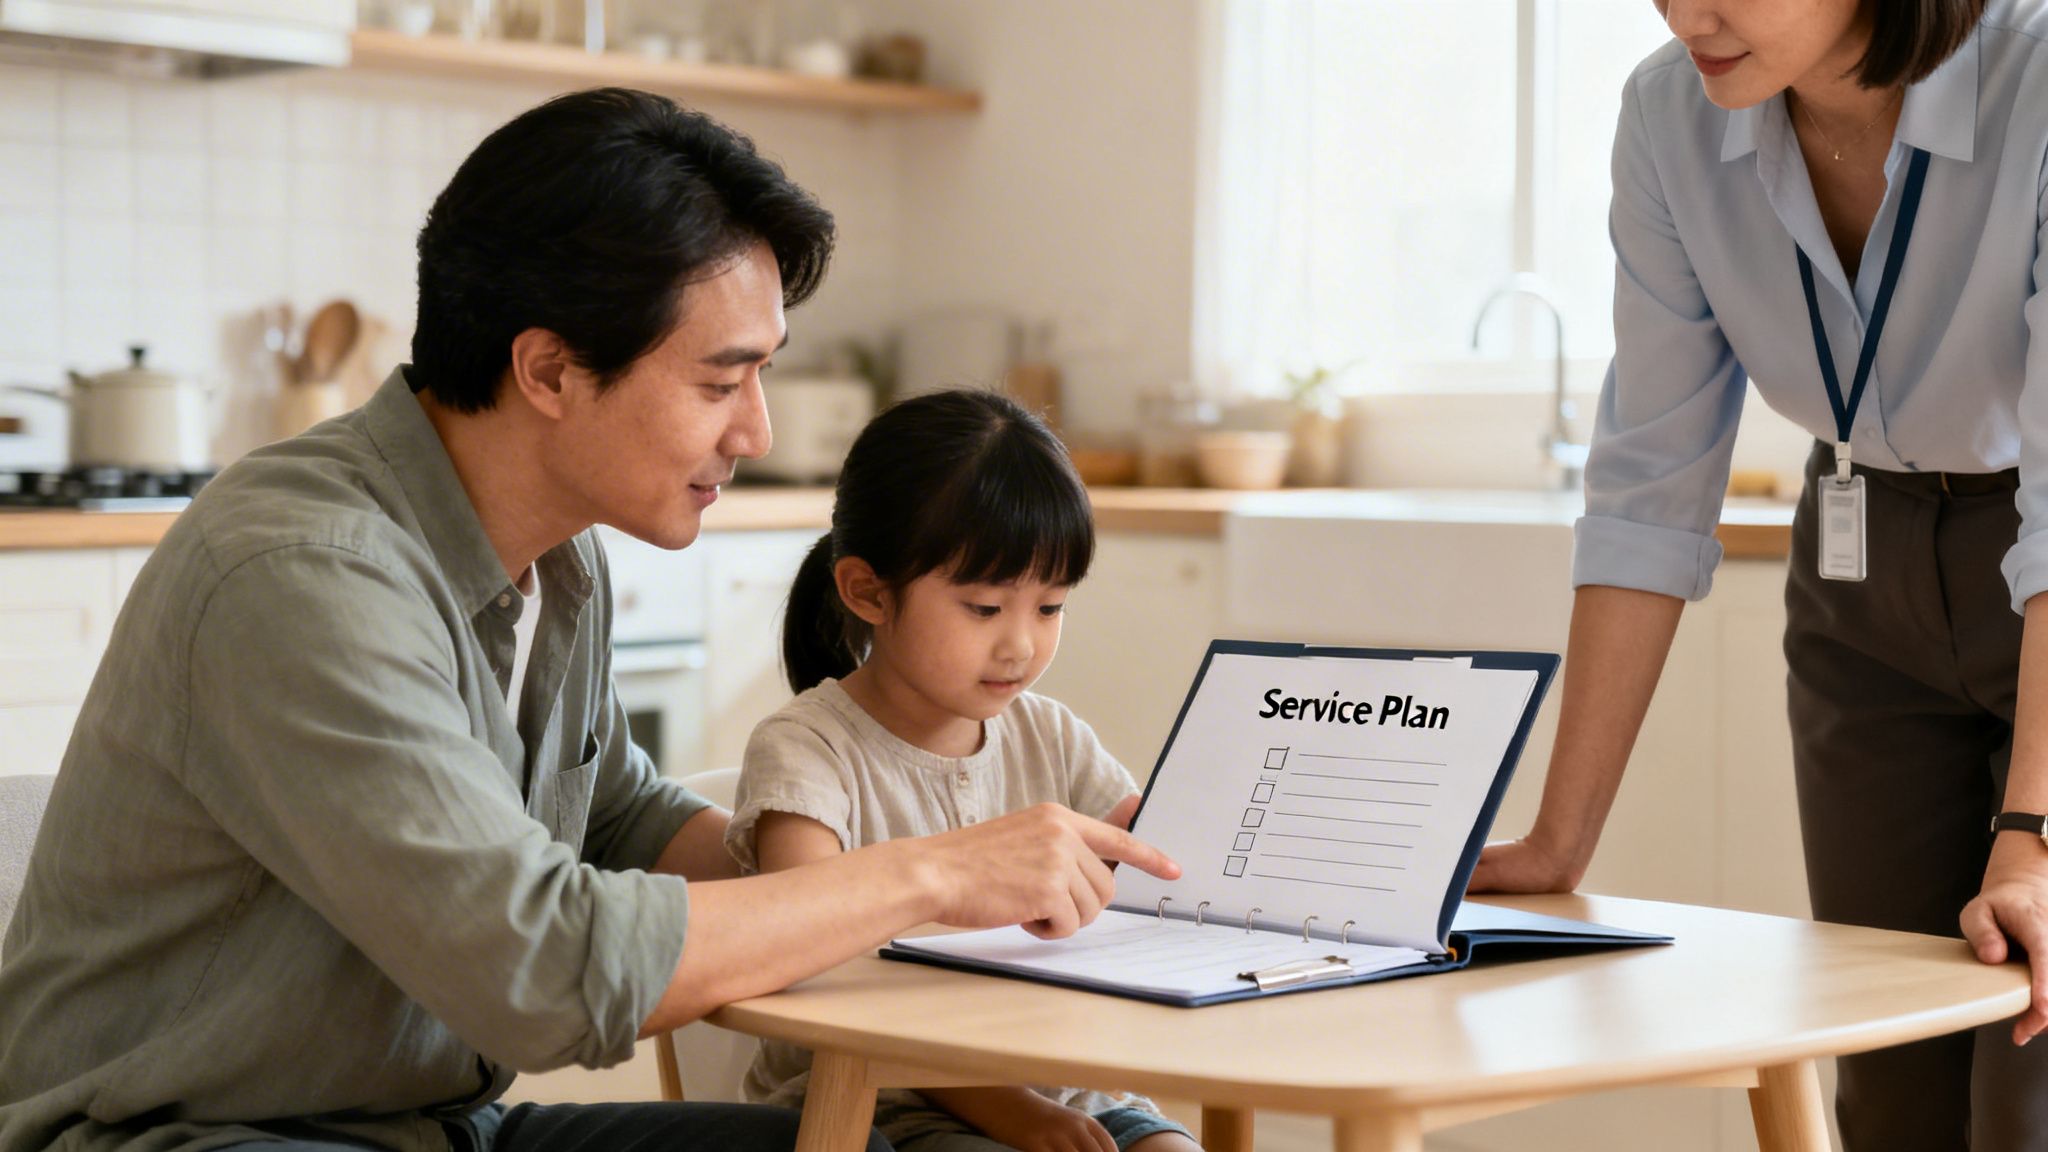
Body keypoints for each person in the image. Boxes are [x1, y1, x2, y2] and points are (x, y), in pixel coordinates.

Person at [0, 88, 1177, 1152]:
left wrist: (850, 832)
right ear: (550, 372)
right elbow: (545, 966)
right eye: (721, 381)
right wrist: (923, 878)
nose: (757, 433)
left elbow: (610, 805)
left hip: (426, 1129)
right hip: (189, 1138)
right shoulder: (305, 575)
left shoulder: (552, 556)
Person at [1467, 0, 2048, 1147]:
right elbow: (1647, 488)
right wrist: (1557, 840)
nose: (1685, 11)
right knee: (1884, 1059)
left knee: (2026, 1068)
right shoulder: (1667, 114)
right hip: (1856, 570)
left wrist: (2034, 830)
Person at [724, 389, 1201, 1152]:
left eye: (1049, 608)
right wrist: (1016, 1115)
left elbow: (1158, 856)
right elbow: (824, 966)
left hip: (1069, 1089)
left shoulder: (1050, 737)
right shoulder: (807, 752)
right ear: (868, 592)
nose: (1021, 645)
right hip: (879, 1101)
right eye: (984, 609)